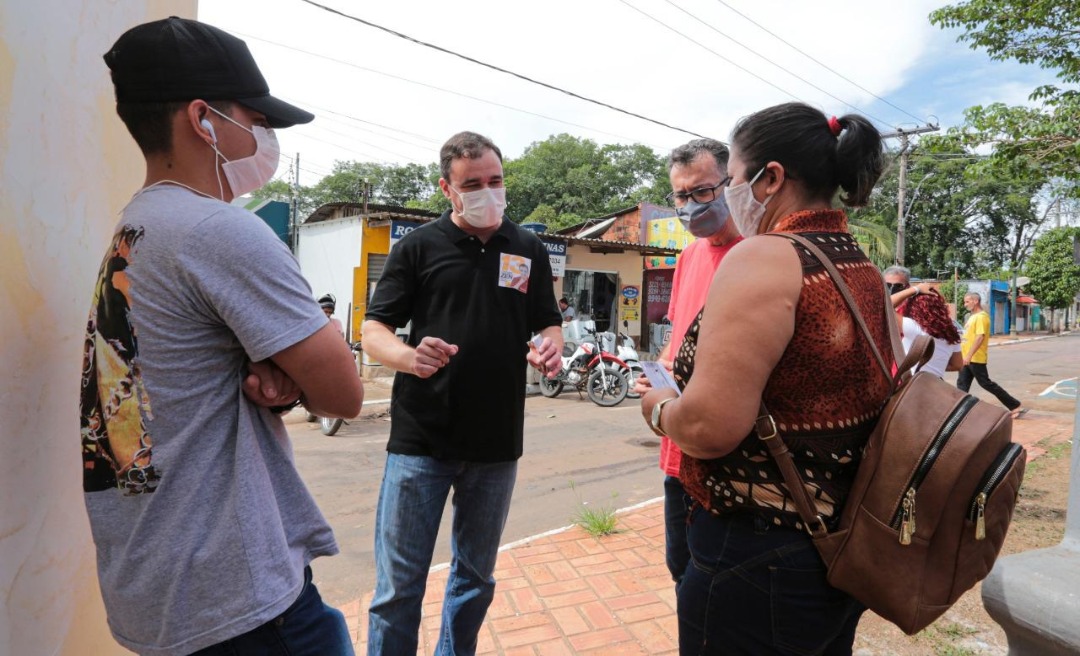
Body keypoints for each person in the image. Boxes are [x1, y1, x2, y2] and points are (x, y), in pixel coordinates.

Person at [83, 17, 364, 656]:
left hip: (159, 583)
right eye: (254, 117)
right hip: (239, 600)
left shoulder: (137, 228)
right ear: (204, 119)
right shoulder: (219, 232)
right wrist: (289, 366)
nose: (263, 136)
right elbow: (345, 393)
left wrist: (278, 376)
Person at [640, 102, 893, 654]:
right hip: (838, 541)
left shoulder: (763, 258)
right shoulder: (860, 266)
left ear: (771, 178)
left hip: (756, 550)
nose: (723, 197)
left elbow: (709, 427)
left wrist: (658, 406)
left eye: (728, 181)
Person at [361, 131, 563, 655]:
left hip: (496, 445)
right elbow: (373, 329)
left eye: (495, 181)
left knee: (475, 581)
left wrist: (548, 347)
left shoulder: (527, 248)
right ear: (447, 189)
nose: (487, 192)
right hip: (421, 443)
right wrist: (409, 357)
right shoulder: (418, 247)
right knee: (398, 590)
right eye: (472, 184)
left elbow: (548, 322)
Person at [634, 138, 742, 593]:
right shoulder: (692, 256)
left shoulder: (759, 253)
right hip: (678, 451)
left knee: (721, 581)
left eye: (701, 192)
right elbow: (675, 343)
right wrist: (656, 377)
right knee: (681, 565)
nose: (689, 206)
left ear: (732, 184)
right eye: (680, 195)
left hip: (730, 455)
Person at [883, 266, 962, 378]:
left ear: (915, 307)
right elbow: (957, 365)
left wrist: (916, 289)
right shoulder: (952, 333)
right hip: (935, 386)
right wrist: (932, 368)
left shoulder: (913, 327)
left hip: (910, 387)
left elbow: (884, 306)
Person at [958, 292, 1026, 417]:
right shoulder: (972, 317)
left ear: (975, 301)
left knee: (986, 383)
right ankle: (958, 412)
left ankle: (1015, 405)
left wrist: (969, 355)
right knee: (962, 385)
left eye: (967, 301)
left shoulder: (982, 317)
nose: (965, 304)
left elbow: (980, 337)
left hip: (975, 357)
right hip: (967, 357)